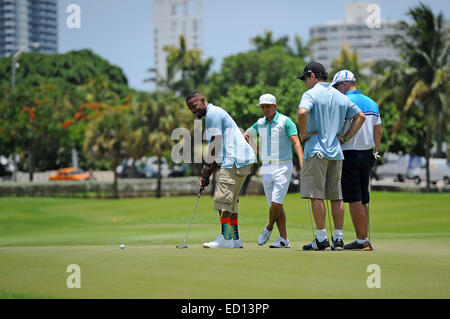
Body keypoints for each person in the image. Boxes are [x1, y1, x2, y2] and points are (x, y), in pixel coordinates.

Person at [297, 62, 366, 251]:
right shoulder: (339, 95)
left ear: (312, 75)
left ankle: (321, 239)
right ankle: (338, 239)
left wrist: (303, 135)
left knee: (315, 194)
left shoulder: (310, 94)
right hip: (336, 152)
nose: (305, 83)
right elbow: (360, 116)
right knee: (337, 196)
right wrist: (345, 137)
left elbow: (302, 112)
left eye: (305, 78)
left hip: (316, 150)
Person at [185, 90, 255, 249]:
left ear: (203, 100)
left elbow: (214, 144)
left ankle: (226, 238)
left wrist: (205, 173)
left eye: (195, 106)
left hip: (234, 160)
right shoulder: (213, 113)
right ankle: (235, 239)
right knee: (230, 201)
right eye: (191, 109)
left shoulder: (212, 114)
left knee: (222, 199)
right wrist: (208, 173)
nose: (194, 111)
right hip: (241, 160)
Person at [331, 70, 382, 251]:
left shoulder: (344, 102)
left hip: (349, 153)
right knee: (363, 199)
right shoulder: (372, 102)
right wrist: (375, 151)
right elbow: (378, 131)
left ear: (344, 84)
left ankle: (362, 241)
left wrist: (343, 138)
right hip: (368, 154)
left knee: (354, 199)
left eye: (337, 87)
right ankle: (364, 237)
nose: (336, 91)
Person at [244, 93, 303, 248]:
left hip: (283, 166)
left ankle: (268, 227)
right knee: (276, 205)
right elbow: (247, 135)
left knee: (276, 203)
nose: (265, 110)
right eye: (262, 107)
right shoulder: (260, 123)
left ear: (275, 106)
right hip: (267, 167)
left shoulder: (285, 121)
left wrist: (302, 162)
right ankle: (284, 239)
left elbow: (296, 142)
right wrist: (258, 151)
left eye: (268, 106)